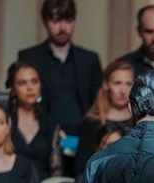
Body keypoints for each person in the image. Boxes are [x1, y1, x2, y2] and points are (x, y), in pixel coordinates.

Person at [17, 0, 102, 144]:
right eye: (55, 21)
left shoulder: (89, 60)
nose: (62, 27)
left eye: (68, 20)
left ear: (74, 21)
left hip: (85, 136)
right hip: (43, 134)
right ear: (45, 22)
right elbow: (26, 104)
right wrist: (49, 128)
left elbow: (99, 103)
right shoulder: (29, 57)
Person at [6, 59, 62, 177]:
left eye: (34, 81)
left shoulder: (50, 123)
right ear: (12, 88)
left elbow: (56, 168)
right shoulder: (3, 120)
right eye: (22, 82)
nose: (30, 87)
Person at [78, 60, 134, 168]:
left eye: (128, 84)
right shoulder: (91, 123)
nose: (123, 91)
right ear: (105, 85)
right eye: (117, 83)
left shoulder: (141, 122)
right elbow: (82, 167)